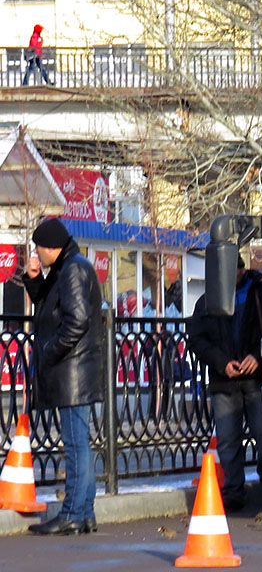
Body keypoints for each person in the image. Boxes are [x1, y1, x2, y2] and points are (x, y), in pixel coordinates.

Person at [187, 255, 262, 512]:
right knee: (228, 441)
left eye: (234, 270)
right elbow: (197, 339)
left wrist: (258, 354)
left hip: (256, 379)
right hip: (225, 380)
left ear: (242, 270)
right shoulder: (207, 301)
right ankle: (234, 492)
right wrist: (222, 363)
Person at [24, 217, 103, 535]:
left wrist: (49, 352)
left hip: (73, 369)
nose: (35, 253)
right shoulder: (71, 265)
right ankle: (84, 513)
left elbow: (76, 321)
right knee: (79, 442)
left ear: (50, 247)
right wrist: (33, 280)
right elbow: (50, 305)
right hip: (77, 369)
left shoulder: (72, 268)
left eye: (37, 248)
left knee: (75, 444)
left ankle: (72, 512)